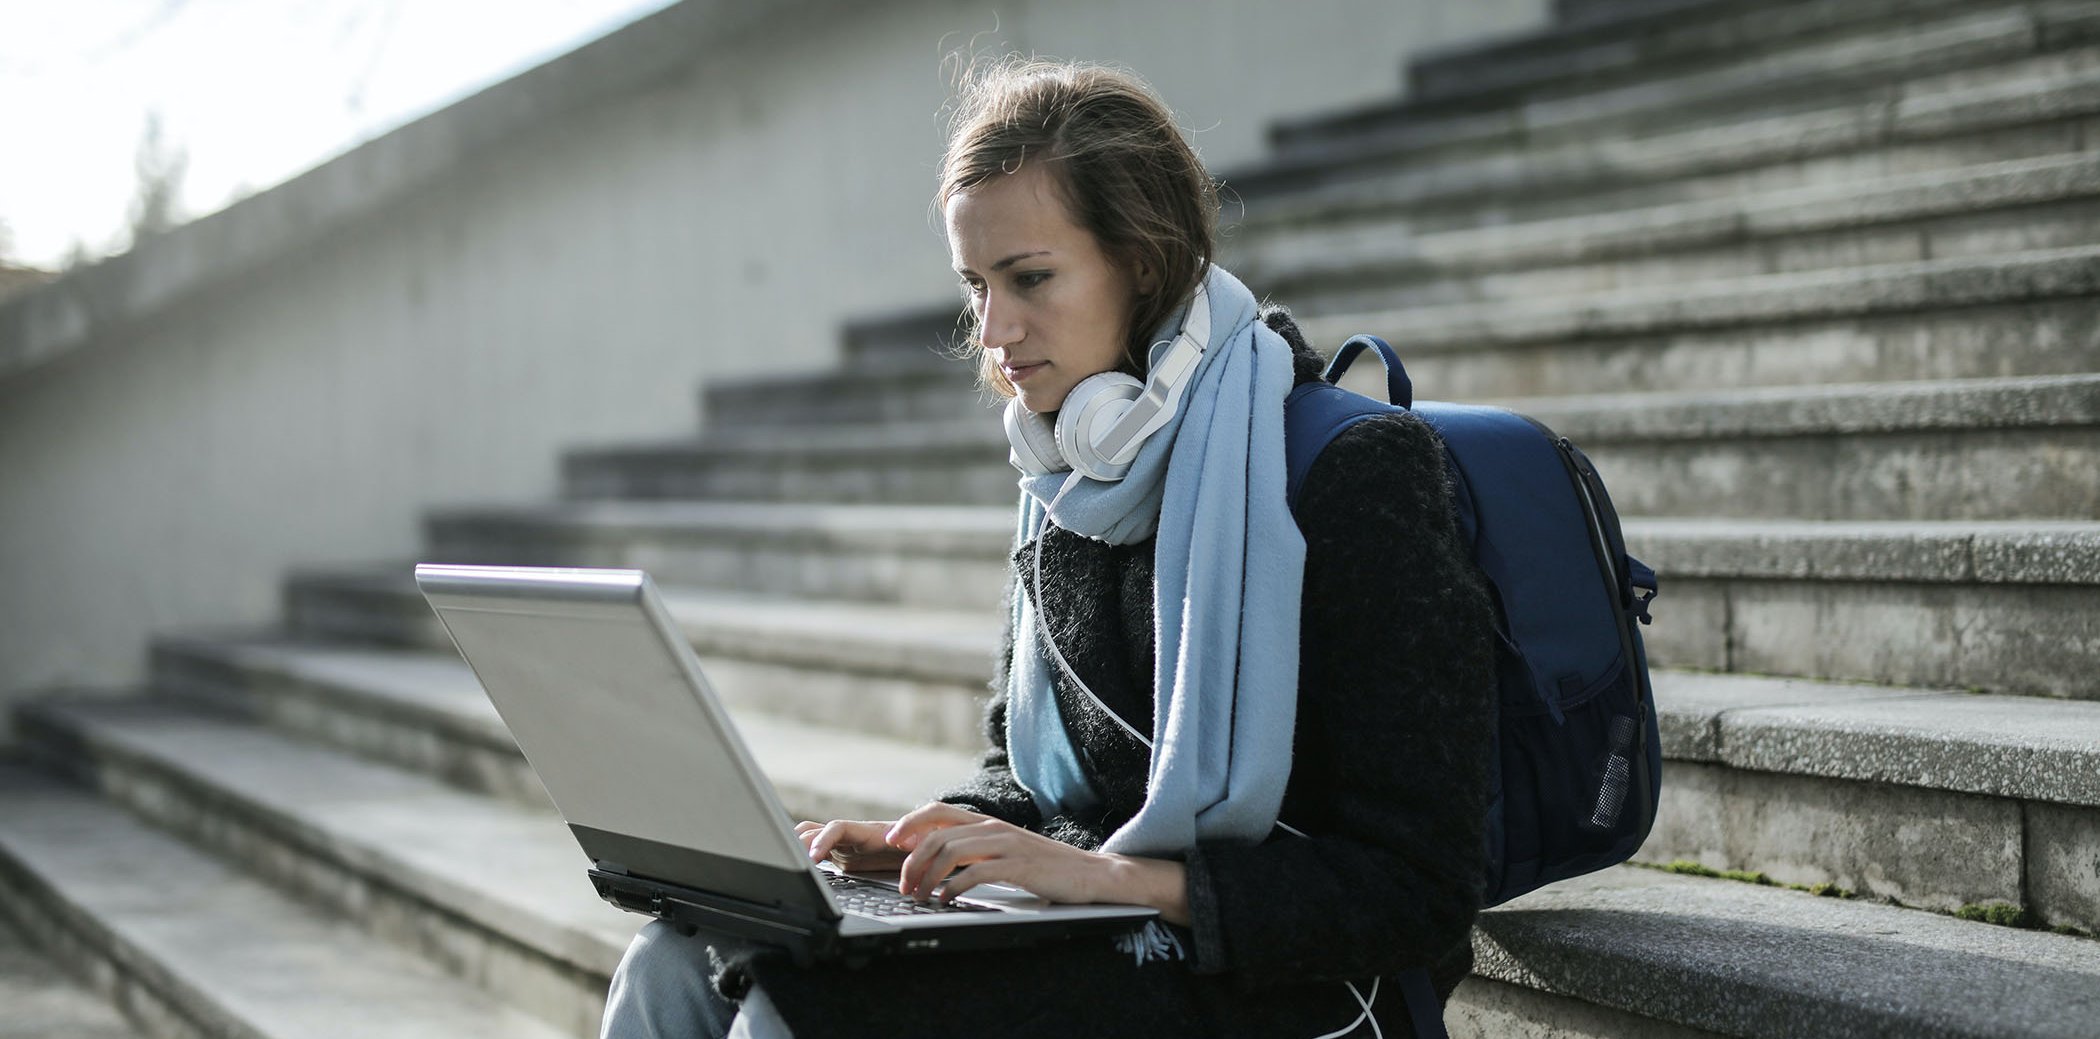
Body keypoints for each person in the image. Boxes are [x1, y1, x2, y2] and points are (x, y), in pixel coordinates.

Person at [601, 57, 1498, 1039]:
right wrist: (919, 839)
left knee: (802, 1008)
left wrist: (1110, 877)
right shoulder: (1068, 468)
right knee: (675, 958)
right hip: (1098, 926)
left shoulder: (1354, 471)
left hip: (1297, 984)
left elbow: (1419, 884)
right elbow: (1021, 771)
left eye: (1030, 278)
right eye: (976, 285)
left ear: (1144, 263)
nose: (994, 330)